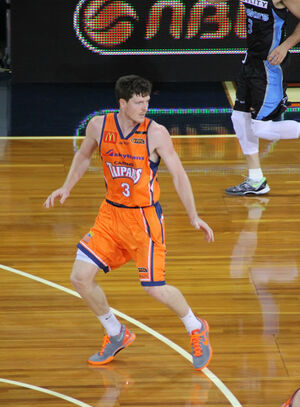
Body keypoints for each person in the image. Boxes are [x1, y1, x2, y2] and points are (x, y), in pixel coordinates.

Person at [44, 74, 214, 370]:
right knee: (80, 278)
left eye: (147, 101)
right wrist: (66, 186)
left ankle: (195, 326)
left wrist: (193, 215)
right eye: (138, 102)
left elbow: (179, 175)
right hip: (110, 215)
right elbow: (84, 155)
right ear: (122, 103)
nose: (144, 107)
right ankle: (116, 333)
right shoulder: (99, 125)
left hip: (144, 220)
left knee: (154, 288)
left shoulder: (156, 133)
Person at [210, 0, 300, 195]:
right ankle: (256, 179)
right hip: (251, 61)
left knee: (260, 128)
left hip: (270, 67)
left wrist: (285, 46)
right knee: (239, 118)